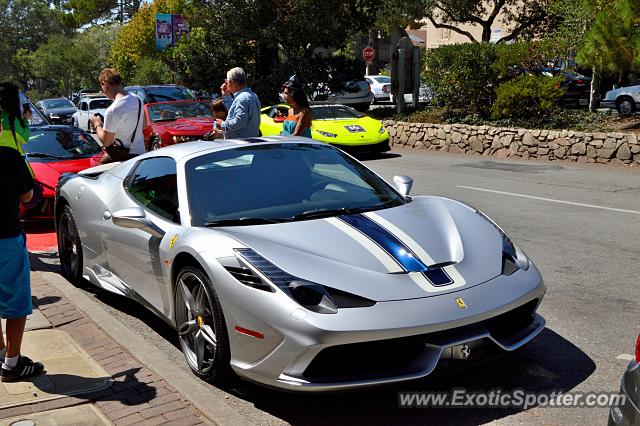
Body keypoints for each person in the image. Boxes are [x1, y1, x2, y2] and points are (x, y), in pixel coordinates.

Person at [0, 143, 45, 382]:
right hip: (5, 238)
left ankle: (1, 353)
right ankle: (12, 363)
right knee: (16, 303)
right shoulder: (8, 156)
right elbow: (27, 196)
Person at [90, 68, 144, 163]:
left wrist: (97, 124)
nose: (102, 91)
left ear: (104, 83)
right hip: (141, 155)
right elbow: (144, 125)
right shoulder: (138, 99)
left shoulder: (113, 109)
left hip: (124, 161)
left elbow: (107, 142)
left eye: (101, 86)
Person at [216, 67, 261, 139]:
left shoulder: (241, 98)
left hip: (239, 144)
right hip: (247, 142)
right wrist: (226, 96)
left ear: (233, 83)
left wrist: (223, 124)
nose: (227, 85)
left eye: (227, 82)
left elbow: (239, 122)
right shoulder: (252, 95)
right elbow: (236, 113)